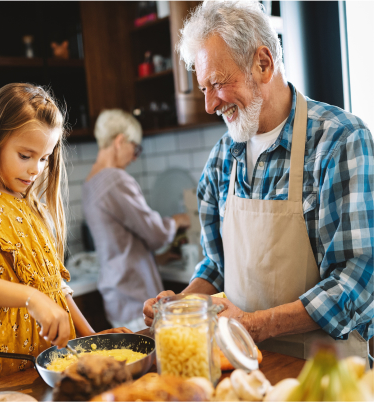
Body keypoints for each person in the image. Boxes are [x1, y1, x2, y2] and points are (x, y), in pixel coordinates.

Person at [143, 0, 373, 361]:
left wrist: (259, 324)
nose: (209, 105)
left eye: (216, 83)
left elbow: (359, 277)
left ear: (263, 64)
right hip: (242, 363)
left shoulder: (340, 139)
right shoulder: (222, 157)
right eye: (204, 88)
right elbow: (217, 265)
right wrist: (183, 303)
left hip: (326, 369)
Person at [0, 83, 131, 389]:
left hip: (55, 358)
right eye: (26, 155)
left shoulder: (32, 207)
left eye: (45, 158)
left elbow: (55, 287)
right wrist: (31, 299)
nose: (37, 170)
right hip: (9, 363)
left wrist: (93, 338)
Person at [82, 109, 191, 332]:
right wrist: (177, 221)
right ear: (120, 141)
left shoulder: (89, 183)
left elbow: (119, 239)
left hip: (115, 293)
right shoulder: (115, 179)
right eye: (135, 148)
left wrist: (155, 259)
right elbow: (156, 233)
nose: (134, 156)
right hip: (135, 296)